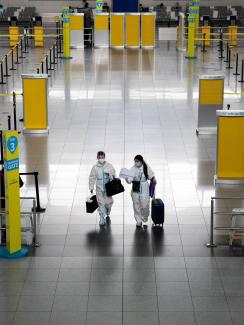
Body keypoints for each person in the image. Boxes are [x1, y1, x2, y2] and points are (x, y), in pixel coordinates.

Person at [126, 155, 156, 228]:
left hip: (144, 188)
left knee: (145, 204)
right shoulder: (133, 169)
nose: (136, 163)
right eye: (135, 161)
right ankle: (138, 221)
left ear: (141, 161)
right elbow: (129, 180)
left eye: (137, 161)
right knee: (136, 205)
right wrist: (127, 179)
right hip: (135, 189)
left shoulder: (146, 167)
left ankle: (145, 216)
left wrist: (153, 179)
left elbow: (151, 175)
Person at [89, 151, 116, 226]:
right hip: (99, 188)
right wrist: (91, 187)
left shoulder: (109, 166)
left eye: (102, 157)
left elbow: (114, 175)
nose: (101, 158)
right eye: (99, 157)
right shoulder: (95, 167)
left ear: (104, 157)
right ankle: (101, 217)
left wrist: (110, 175)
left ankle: (107, 210)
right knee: (101, 203)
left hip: (108, 188)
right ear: (97, 158)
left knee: (109, 203)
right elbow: (92, 177)